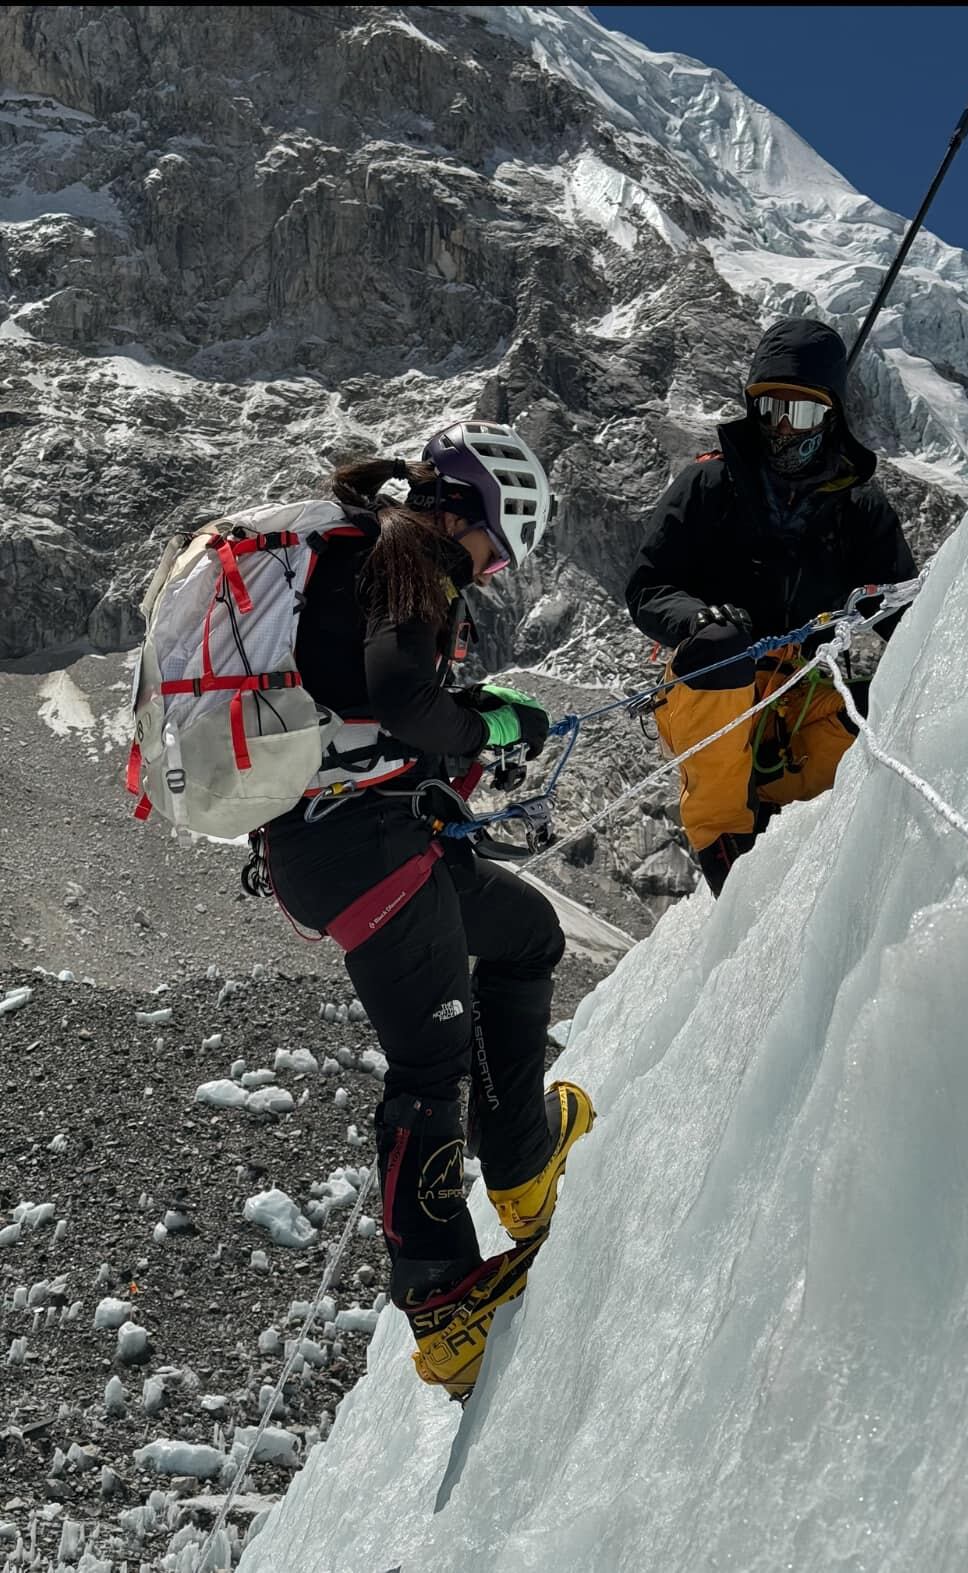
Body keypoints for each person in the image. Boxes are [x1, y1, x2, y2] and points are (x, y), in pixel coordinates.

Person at [262, 421, 594, 1400]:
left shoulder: (373, 552)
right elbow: (405, 698)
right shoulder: (413, 555)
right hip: (360, 850)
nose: (491, 571)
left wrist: (477, 727)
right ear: (470, 514)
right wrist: (489, 719)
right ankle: (444, 1307)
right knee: (428, 1063)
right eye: (498, 545)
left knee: (526, 933)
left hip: (356, 843)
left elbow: (372, 707)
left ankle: (523, 1161)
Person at [625, 319, 917, 895]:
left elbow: (904, 611)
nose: (785, 427)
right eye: (771, 409)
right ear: (752, 409)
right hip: (709, 689)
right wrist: (696, 619)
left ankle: (854, 857)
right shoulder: (708, 485)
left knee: (877, 707)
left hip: (801, 698)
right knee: (719, 647)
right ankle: (724, 845)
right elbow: (648, 586)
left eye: (803, 413)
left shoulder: (857, 508)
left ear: (830, 417)